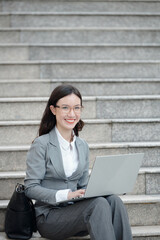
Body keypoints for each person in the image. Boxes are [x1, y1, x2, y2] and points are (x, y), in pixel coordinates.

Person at [24, 84, 133, 240]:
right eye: (65, 108)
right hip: (50, 217)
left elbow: (82, 186)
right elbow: (30, 188)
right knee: (99, 205)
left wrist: (107, 187)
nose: (72, 114)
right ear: (54, 110)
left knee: (114, 201)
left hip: (78, 214)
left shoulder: (82, 145)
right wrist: (67, 194)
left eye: (76, 108)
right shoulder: (42, 145)